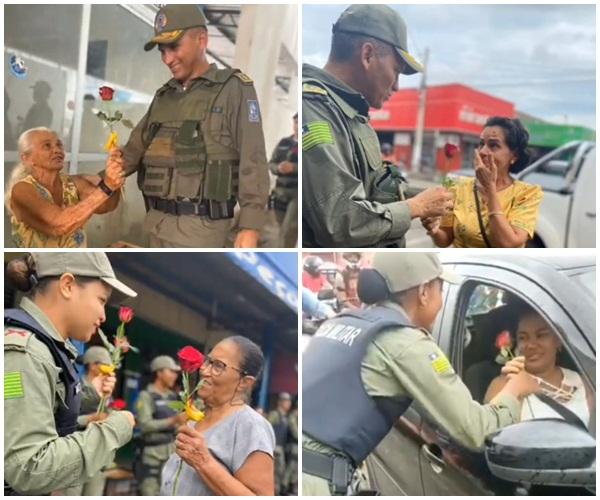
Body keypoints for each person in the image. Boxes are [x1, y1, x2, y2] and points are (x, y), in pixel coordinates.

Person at [302, 253, 540, 495]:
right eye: (441, 289)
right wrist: (514, 389)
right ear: (424, 292)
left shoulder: (341, 322)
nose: (441, 300)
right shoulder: (405, 343)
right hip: (319, 482)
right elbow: (478, 431)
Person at [302, 5, 454, 248]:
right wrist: (416, 207)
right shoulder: (315, 109)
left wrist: (422, 199)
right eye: (396, 71)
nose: (396, 87)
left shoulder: (350, 113)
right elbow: (340, 221)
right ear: (368, 55)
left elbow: (371, 188)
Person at [120, 5, 269, 248]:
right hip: (156, 224)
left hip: (204, 232)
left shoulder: (234, 88)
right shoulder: (164, 95)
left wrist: (250, 225)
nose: (167, 59)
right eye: (162, 51)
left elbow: (253, 159)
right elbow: (133, 152)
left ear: (202, 40)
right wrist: (96, 182)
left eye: (174, 46)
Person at [4, 252, 137, 495]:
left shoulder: (44, 350)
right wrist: (115, 429)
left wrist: (87, 408)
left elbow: (37, 417)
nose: (103, 315)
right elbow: (27, 468)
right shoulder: (25, 355)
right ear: (67, 286)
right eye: (101, 300)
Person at [160, 336, 275, 495]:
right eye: (208, 361)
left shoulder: (250, 426)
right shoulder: (198, 415)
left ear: (244, 382)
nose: (204, 370)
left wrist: (203, 462)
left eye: (218, 366)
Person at [423, 117, 543, 248]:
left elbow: (509, 244)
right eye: (481, 144)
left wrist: (490, 188)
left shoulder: (526, 194)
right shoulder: (456, 186)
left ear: (514, 156)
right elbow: (445, 240)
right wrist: (434, 230)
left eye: (494, 145)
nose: (482, 152)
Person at [6, 127, 125, 248]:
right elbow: (59, 225)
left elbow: (106, 205)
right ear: (26, 158)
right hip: (41, 265)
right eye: (47, 146)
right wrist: (108, 186)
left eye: (59, 145)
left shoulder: (74, 183)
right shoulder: (22, 189)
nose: (57, 150)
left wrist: (115, 171)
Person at [484, 309, 593, 427]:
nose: (531, 345)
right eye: (523, 338)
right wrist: (513, 390)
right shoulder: (504, 384)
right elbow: (493, 433)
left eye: (541, 335)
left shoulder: (584, 382)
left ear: (558, 340)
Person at [62, 346, 114, 496]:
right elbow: (63, 421)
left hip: (98, 453)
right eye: (104, 364)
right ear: (92, 365)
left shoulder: (107, 388)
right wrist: (89, 419)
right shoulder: (75, 386)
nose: (109, 368)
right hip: (77, 452)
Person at [135, 355, 188, 495]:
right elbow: (145, 425)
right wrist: (173, 421)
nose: (174, 376)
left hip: (170, 453)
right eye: (171, 371)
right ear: (159, 373)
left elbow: (177, 426)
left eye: (176, 373)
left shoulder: (172, 396)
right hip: (152, 456)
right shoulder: (146, 396)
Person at [269, 113, 298, 248]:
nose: (297, 126)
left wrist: (294, 168)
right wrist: (278, 168)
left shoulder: (309, 144)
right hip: (280, 192)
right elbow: (271, 164)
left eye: (300, 123)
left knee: (289, 231)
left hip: (297, 194)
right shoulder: (284, 142)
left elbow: (316, 168)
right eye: (295, 122)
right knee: (280, 229)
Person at [268, 392, 292, 495]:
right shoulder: (275, 414)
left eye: (289, 401)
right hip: (274, 448)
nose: (289, 404)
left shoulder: (286, 417)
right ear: (281, 402)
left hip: (281, 448)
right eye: (287, 401)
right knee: (273, 474)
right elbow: (267, 429)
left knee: (280, 474)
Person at [284, 404, 299, 495]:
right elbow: (294, 431)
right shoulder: (293, 416)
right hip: (292, 446)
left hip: (296, 446)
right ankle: (285, 485)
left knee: (295, 467)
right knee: (290, 466)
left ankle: (291, 484)